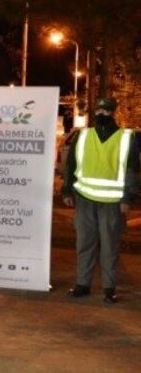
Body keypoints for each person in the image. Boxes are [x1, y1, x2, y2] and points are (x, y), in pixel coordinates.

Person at [63, 97, 139, 304]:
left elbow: (132, 170)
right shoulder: (83, 135)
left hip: (113, 202)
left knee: (110, 246)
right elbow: (70, 165)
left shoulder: (126, 137)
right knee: (84, 243)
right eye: (99, 110)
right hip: (85, 199)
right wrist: (67, 192)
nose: (102, 114)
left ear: (113, 112)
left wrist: (127, 197)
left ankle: (108, 288)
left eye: (106, 111)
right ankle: (82, 284)